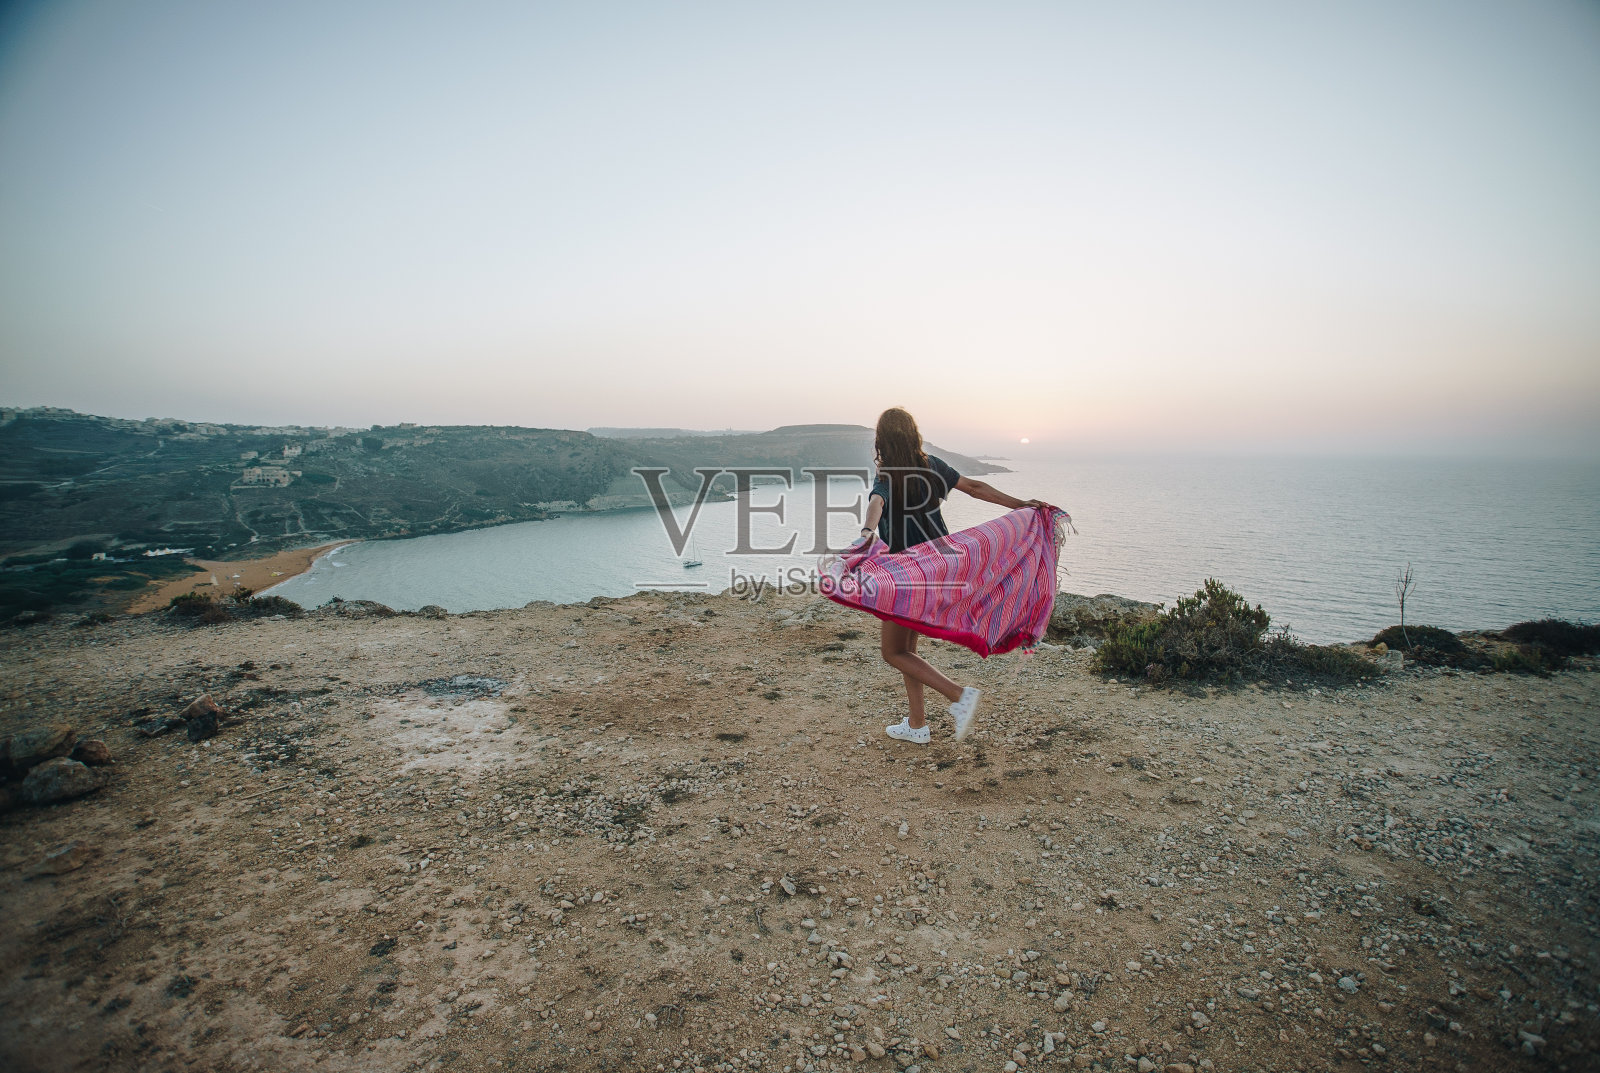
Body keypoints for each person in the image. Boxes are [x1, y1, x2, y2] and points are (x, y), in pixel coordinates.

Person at [859, 407, 1045, 745]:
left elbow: (877, 502)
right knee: (907, 649)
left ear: (882, 439)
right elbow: (974, 487)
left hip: (905, 573)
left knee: (892, 652)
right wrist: (1020, 504)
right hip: (939, 567)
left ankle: (959, 696)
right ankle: (917, 725)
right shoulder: (931, 465)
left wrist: (867, 532)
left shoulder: (888, 473)